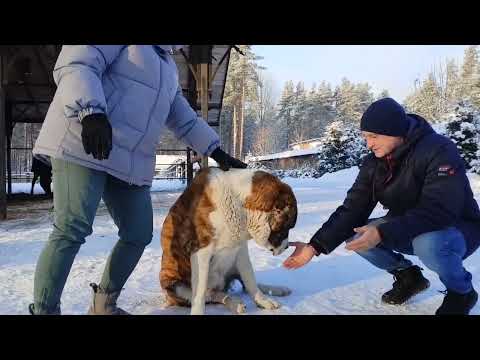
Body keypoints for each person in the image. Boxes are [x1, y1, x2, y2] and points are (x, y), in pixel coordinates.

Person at [29, 45, 246, 315]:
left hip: (128, 159)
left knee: (138, 232)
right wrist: (91, 111)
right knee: (72, 227)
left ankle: (103, 304)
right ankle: (44, 310)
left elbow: (183, 117)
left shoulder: (167, 66)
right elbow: (78, 61)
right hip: (83, 141)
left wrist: (215, 150)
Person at [283, 97, 480, 315]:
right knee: (358, 234)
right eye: (365, 137)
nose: (369, 144)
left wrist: (383, 231)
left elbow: (439, 210)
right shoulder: (375, 162)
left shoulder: (439, 150)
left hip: (456, 228)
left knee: (428, 243)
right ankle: (409, 276)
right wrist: (315, 246)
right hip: (407, 226)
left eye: (374, 136)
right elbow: (353, 209)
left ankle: (461, 292)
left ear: (395, 131)